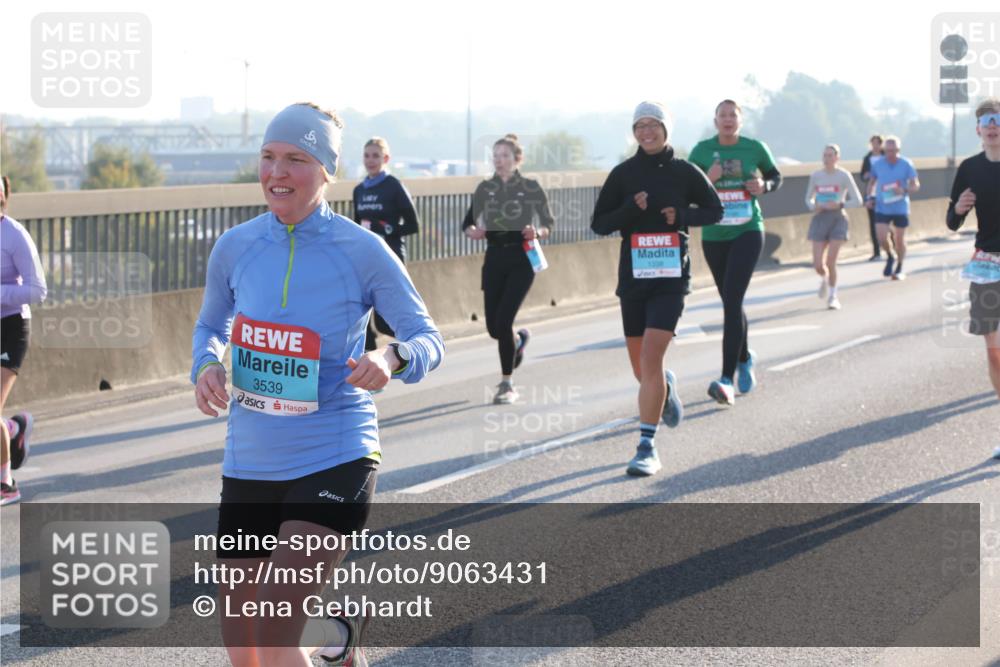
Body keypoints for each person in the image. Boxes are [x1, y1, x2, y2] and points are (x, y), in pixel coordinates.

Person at [192, 102, 443, 666]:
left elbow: (428, 337)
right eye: (268, 157)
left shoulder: (361, 250)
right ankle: (335, 637)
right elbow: (211, 324)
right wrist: (206, 365)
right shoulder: (235, 246)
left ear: (327, 170)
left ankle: (323, 635)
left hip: (335, 451)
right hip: (250, 459)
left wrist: (393, 356)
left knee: (276, 632)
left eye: (296, 159)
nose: (277, 173)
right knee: (244, 646)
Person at [592, 101, 723, 476]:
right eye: (640, 126)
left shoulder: (685, 172)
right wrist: (631, 210)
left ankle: (646, 446)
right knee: (643, 368)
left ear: (666, 129)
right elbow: (599, 223)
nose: (646, 132)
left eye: (653, 125)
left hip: (670, 279)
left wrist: (682, 216)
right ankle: (665, 386)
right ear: (634, 132)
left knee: (650, 358)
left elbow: (714, 210)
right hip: (633, 280)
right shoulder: (623, 174)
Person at [689, 100, 782, 406]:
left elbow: (775, 177)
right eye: (723, 115)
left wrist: (763, 186)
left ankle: (726, 378)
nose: (728, 120)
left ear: (740, 121)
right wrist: (709, 180)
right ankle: (744, 358)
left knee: (732, 301)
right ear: (715, 120)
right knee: (732, 301)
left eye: (733, 115)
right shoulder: (701, 151)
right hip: (715, 233)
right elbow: (687, 192)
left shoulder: (755, 148)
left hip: (747, 229)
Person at [462, 134, 553, 404]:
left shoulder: (530, 187)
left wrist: (537, 231)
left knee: (504, 321)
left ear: (517, 159)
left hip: (521, 261)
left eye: (505, 156)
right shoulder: (485, 188)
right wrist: (473, 232)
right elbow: (467, 223)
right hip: (494, 259)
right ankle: (517, 341)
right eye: (496, 155)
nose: (499, 161)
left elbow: (549, 223)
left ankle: (507, 384)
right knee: (493, 328)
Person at [946, 97, 1000, 459]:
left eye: (998, 119)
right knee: (995, 354)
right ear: (978, 130)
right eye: (987, 121)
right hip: (987, 266)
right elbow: (951, 222)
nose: (993, 126)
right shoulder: (969, 168)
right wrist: (959, 208)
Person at [1, 175, 47, 506]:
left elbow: (38, 290)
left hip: (11, 326)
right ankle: (12, 430)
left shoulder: (14, 235)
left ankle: (6, 484)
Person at [352, 137, 420, 353]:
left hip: (390, 256)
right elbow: (357, 226)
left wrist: (386, 228)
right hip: (365, 258)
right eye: (367, 155)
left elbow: (413, 225)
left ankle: (419, 345)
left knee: (383, 321)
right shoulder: (359, 190)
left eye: (376, 156)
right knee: (359, 312)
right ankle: (366, 364)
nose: (370, 160)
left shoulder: (393, 186)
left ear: (386, 158)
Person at [804, 144, 864, 310]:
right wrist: (814, 206)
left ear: (837, 158)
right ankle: (824, 278)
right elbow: (808, 198)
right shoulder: (816, 175)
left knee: (831, 261)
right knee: (817, 264)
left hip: (838, 219)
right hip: (820, 219)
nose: (827, 159)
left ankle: (833, 296)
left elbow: (857, 200)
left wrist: (839, 204)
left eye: (831, 155)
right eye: (825, 155)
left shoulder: (843, 175)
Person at [866, 135, 920, 280]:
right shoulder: (878, 164)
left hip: (900, 207)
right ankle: (890, 255)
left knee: (899, 239)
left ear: (899, 150)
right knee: (882, 237)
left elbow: (915, 185)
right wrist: (869, 198)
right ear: (884, 150)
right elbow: (871, 183)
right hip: (882, 206)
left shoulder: (906, 164)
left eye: (894, 150)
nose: (891, 153)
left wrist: (904, 190)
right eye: (888, 150)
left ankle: (900, 266)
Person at [859, 134, 885, 261]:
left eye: (877, 143)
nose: (875, 146)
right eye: (873, 143)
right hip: (871, 194)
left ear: (881, 144)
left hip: (886, 194)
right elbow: (862, 176)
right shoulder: (867, 158)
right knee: (874, 223)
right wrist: (867, 175)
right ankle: (877, 251)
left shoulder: (887, 156)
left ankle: (892, 246)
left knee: (887, 222)